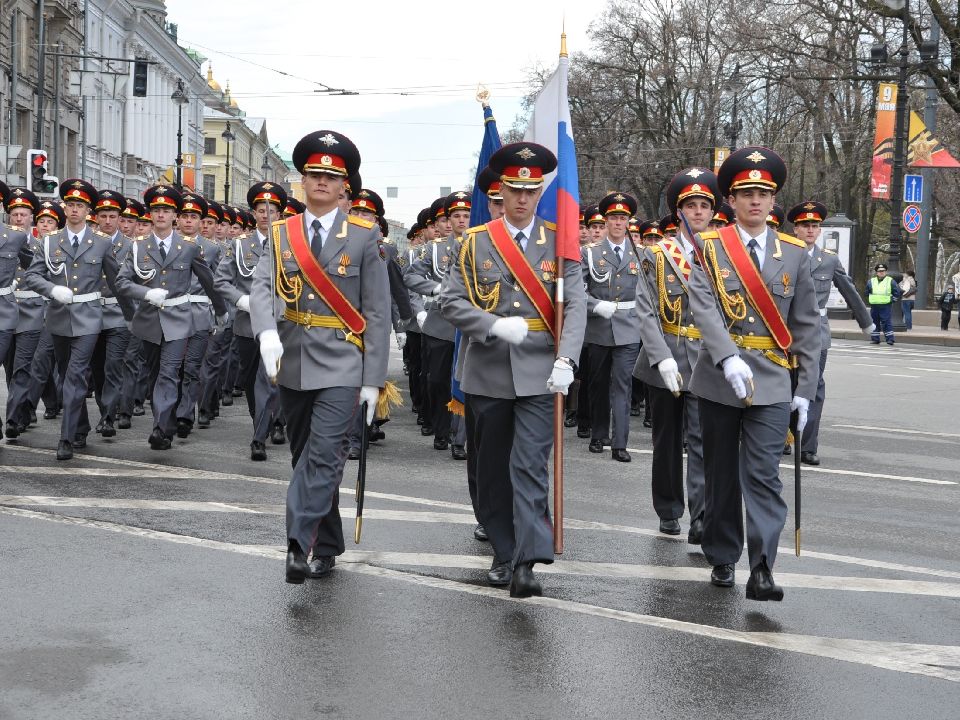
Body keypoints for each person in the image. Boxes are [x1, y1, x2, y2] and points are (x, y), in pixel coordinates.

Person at [441, 141, 586, 598]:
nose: (523, 198)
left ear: (540, 191)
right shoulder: (474, 243)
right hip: (487, 370)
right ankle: (502, 549)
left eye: (531, 189)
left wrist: (567, 357)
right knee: (492, 469)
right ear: (499, 191)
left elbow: (576, 304)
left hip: (542, 370)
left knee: (529, 465)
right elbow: (450, 301)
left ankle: (526, 557)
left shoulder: (559, 242)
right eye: (514, 189)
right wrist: (491, 325)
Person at [249, 129, 390, 585]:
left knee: (327, 454)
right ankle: (326, 542)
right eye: (314, 174)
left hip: (342, 361)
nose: (322, 182)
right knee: (304, 456)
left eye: (332, 176)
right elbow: (263, 288)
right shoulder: (280, 233)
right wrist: (266, 331)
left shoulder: (365, 238)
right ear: (302, 181)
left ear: (345, 185)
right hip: (291, 360)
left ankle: (297, 542)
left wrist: (373, 379)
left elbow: (376, 312)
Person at [686, 146, 820, 601]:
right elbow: (701, 306)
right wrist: (727, 357)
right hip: (720, 378)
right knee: (721, 472)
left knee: (763, 474)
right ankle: (722, 554)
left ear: (774, 199)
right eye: (746, 194)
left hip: (773, 380)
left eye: (764, 193)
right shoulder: (709, 247)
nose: (756, 202)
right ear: (732, 200)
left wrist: (804, 390)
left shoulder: (796, 254)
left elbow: (806, 326)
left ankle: (762, 565)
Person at [21, 179, 132, 460]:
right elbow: (32, 276)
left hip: (89, 318)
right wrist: (51, 289)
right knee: (65, 373)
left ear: (88, 211)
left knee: (75, 375)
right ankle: (80, 426)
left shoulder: (101, 244)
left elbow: (118, 283)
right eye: (70, 204)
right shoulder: (49, 242)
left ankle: (66, 437)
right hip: (58, 318)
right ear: (64, 208)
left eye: (79, 206)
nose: (74, 210)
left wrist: (132, 316)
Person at [634, 167, 717, 541]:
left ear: (713, 211)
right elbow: (646, 309)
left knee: (703, 439)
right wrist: (660, 356)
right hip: (667, 353)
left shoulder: (723, 255)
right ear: (678, 212)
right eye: (691, 205)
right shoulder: (657, 255)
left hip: (706, 358)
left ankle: (701, 514)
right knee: (666, 440)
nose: (698, 212)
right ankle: (668, 508)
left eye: (704, 205)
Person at [115, 185, 227, 451]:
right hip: (149, 321)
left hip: (178, 319)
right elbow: (121, 282)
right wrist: (145, 293)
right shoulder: (137, 247)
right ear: (151, 215)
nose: (161, 215)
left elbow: (208, 282)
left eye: (166, 210)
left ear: (174, 215)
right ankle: (163, 420)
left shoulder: (188, 248)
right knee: (154, 375)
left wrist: (221, 310)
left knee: (169, 373)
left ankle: (160, 428)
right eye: (156, 210)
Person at [787, 201, 873, 466]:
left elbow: (849, 290)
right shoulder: (785, 256)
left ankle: (807, 446)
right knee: (785, 385)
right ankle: (784, 438)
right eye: (805, 226)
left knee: (814, 386)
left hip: (817, 333)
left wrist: (865, 321)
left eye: (814, 226)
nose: (810, 230)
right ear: (796, 229)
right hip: (786, 332)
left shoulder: (829, 260)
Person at [214, 182, 288, 460]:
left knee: (272, 379)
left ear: (280, 214)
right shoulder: (240, 244)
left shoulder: (289, 243)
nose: (266, 214)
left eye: (272, 210)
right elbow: (221, 280)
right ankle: (264, 420)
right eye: (260, 210)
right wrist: (240, 299)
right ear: (254, 213)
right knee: (249, 380)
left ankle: (262, 433)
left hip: (280, 322)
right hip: (247, 323)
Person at [581, 191, 643, 462]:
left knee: (622, 384)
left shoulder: (641, 254)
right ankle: (598, 433)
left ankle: (620, 443)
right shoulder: (590, 253)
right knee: (597, 384)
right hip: (599, 327)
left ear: (629, 221)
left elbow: (649, 292)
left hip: (629, 327)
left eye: (623, 218)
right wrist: (594, 306)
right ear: (605, 221)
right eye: (613, 218)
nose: (618, 223)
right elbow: (576, 291)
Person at [866, 263, 902, 345]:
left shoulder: (890, 281)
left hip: (885, 305)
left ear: (886, 272)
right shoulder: (871, 281)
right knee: (874, 322)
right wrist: (870, 300)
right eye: (879, 271)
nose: (881, 272)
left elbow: (897, 292)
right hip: (874, 305)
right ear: (876, 272)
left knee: (886, 322)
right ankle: (875, 339)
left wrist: (892, 300)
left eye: (883, 271)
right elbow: (867, 292)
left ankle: (890, 339)